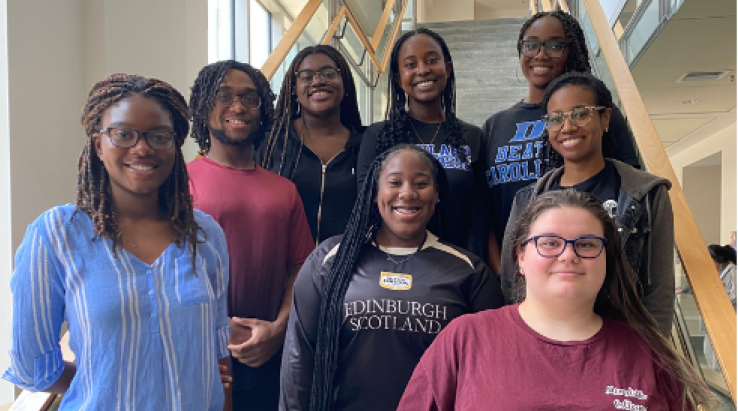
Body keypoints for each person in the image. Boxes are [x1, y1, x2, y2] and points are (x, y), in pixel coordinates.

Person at [388, 189, 717, 411]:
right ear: (520, 256)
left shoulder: (651, 355)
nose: (569, 255)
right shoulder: (465, 339)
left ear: (607, 259)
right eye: (549, 243)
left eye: (587, 244)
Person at [4, 74, 239, 411]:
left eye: (159, 136)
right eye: (123, 134)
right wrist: (103, 376)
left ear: (175, 146)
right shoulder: (56, 235)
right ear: (98, 144)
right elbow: (31, 364)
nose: (143, 148)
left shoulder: (205, 237)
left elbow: (216, 368)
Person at [279, 144, 504, 411]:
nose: (407, 194)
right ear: (374, 193)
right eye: (395, 182)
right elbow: (298, 358)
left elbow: (488, 375)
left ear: (437, 194)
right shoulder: (330, 260)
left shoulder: (467, 270)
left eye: (421, 183)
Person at [187, 60, 315, 411]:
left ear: (263, 110)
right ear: (204, 107)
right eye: (224, 94)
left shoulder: (284, 190)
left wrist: (277, 330)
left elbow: (301, 266)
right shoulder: (179, 182)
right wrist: (214, 333)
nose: (237, 105)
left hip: (268, 361)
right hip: (201, 361)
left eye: (249, 97)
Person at [499, 72, 675, 333]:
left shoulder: (645, 194)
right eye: (556, 119)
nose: (567, 127)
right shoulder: (527, 199)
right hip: (546, 341)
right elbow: (512, 280)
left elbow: (658, 290)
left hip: (622, 345)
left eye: (580, 114)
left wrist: (651, 357)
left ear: (604, 118)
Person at [480, 10, 640, 272]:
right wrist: (504, 276)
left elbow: (628, 194)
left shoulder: (595, 116)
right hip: (515, 273)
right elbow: (486, 212)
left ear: (571, 51)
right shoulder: (495, 125)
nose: (541, 54)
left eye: (555, 45)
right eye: (531, 44)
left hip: (579, 266)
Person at [356, 27, 490, 259]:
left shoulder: (472, 136)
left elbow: (481, 216)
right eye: (410, 64)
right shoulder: (379, 136)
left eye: (431, 60)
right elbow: (366, 206)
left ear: (447, 69)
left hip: (456, 265)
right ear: (398, 78)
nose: (422, 70)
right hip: (391, 262)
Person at [259, 45, 365, 244]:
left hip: (349, 269)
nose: (318, 81)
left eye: (329, 74)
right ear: (294, 89)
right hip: (283, 269)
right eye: (307, 77)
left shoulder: (365, 145)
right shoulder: (270, 141)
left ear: (345, 83)